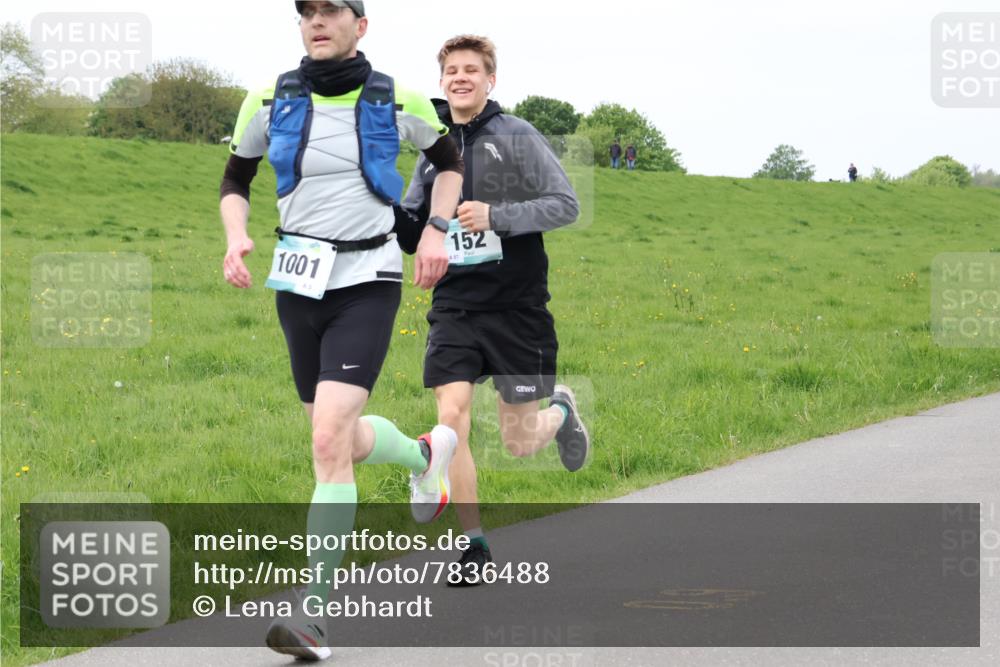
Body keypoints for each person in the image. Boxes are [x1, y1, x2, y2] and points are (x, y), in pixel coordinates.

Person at [218, 1, 465, 659]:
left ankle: (314, 617)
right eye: (307, 12)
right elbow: (235, 176)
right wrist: (237, 235)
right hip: (298, 281)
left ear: (361, 25)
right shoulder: (268, 98)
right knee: (343, 441)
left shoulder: (400, 98)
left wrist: (437, 231)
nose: (316, 21)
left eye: (331, 10)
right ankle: (423, 456)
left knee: (326, 438)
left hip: (368, 278)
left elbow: (450, 164)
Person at [395, 34, 590, 587]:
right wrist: (382, 211)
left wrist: (497, 215)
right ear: (442, 82)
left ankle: (562, 411)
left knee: (518, 442)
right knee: (450, 420)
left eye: (471, 70)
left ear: (490, 80)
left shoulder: (517, 135)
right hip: (455, 304)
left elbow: (565, 204)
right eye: (451, 71)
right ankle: (473, 543)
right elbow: (414, 226)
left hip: (517, 307)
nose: (460, 78)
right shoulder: (432, 149)